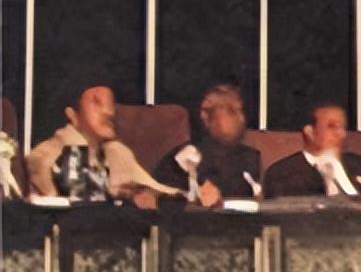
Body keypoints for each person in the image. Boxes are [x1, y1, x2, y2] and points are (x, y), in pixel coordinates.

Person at [26, 85, 179, 209]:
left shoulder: (117, 152)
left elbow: (157, 189)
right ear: (73, 115)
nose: (109, 112)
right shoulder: (44, 155)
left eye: (110, 104)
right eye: (97, 102)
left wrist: (149, 194)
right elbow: (75, 203)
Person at [153, 84, 261, 204]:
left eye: (241, 111)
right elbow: (161, 192)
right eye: (231, 110)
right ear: (205, 115)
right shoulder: (184, 156)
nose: (241, 118)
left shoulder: (252, 157)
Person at [261, 104, 361, 199]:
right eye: (332, 126)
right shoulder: (282, 173)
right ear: (310, 132)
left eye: (343, 128)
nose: (341, 134)